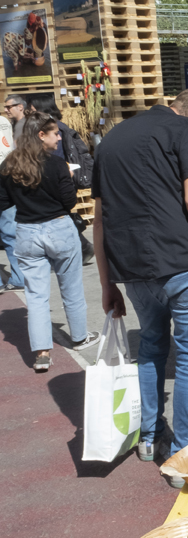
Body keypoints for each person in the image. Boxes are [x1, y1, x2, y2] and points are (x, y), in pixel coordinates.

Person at [92, 86, 188, 470]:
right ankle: (186, 450)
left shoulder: (112, 139)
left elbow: (99, 222)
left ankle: (150, 437)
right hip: (184, 262)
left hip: (133, 269)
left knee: (151, 348)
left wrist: (106, 284)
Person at [0, 113, 99, 371]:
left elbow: (3, 202)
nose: (59, 137)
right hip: (59, 228)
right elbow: (69, 202)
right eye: (55, 133)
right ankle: (79, 337)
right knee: (72, 288)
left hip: (27, 232)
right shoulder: (56, 165)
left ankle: (42, 352)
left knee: (35, 296)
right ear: (40, 135)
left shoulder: (9, 165)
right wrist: (67, 178)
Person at [33, 98, 96, 263]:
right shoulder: (57, 127)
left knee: (60, 216)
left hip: (61, 178)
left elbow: (58, 158)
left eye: (33, 110)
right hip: (62, 177)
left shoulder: (54, 130)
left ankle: (80, 248)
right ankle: (81, 247)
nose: (30, 113)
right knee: (62, 216)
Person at [0, 107, 25, 292]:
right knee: (11, 233)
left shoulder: (4, 122)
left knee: (10, 232)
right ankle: (18, 277)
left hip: (5, 179)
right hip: (7, 179)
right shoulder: (4, 122)